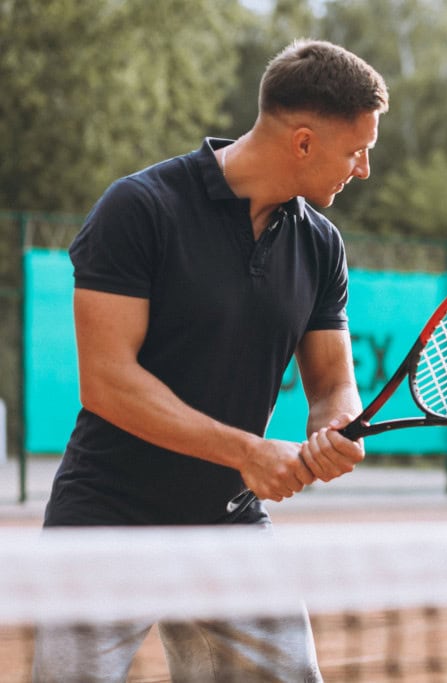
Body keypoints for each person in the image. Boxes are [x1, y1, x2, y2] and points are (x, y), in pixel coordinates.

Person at [33, 39, 389, 682]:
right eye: (356, 149)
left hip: (228, 522)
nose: (363, 168)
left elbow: (334, 380)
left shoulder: (321, 246)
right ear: (303, 142)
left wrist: (336, 423)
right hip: (106, 519)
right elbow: (108, 383)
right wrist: (250, 453)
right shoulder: (139, 209)